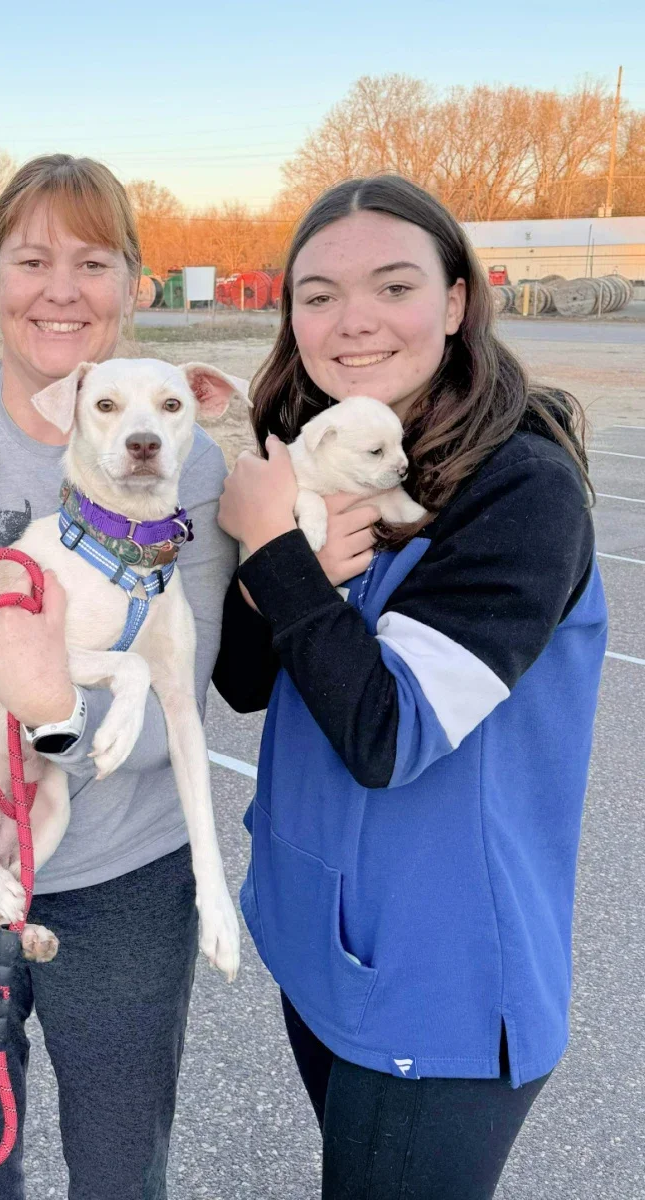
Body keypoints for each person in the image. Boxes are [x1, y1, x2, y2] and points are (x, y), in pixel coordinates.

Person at [0, 153, 367, 1199]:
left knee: (121, 1170)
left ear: (137, 284)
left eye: (94, 261)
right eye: (31, 259)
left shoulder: (191, 461)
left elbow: (179, 682)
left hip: (127, 873)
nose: (60, 289)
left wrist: (56, 714)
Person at [213, 174, 607, 1199]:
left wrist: (275, 555)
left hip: (439, 988)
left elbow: (388, 736)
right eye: (318, 295)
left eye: (393, 286)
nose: (352, 323)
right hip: (331, 946)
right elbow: (245, 683)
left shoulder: (521, 491)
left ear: (457, 300)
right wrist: (270, 572)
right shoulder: (309, 446)